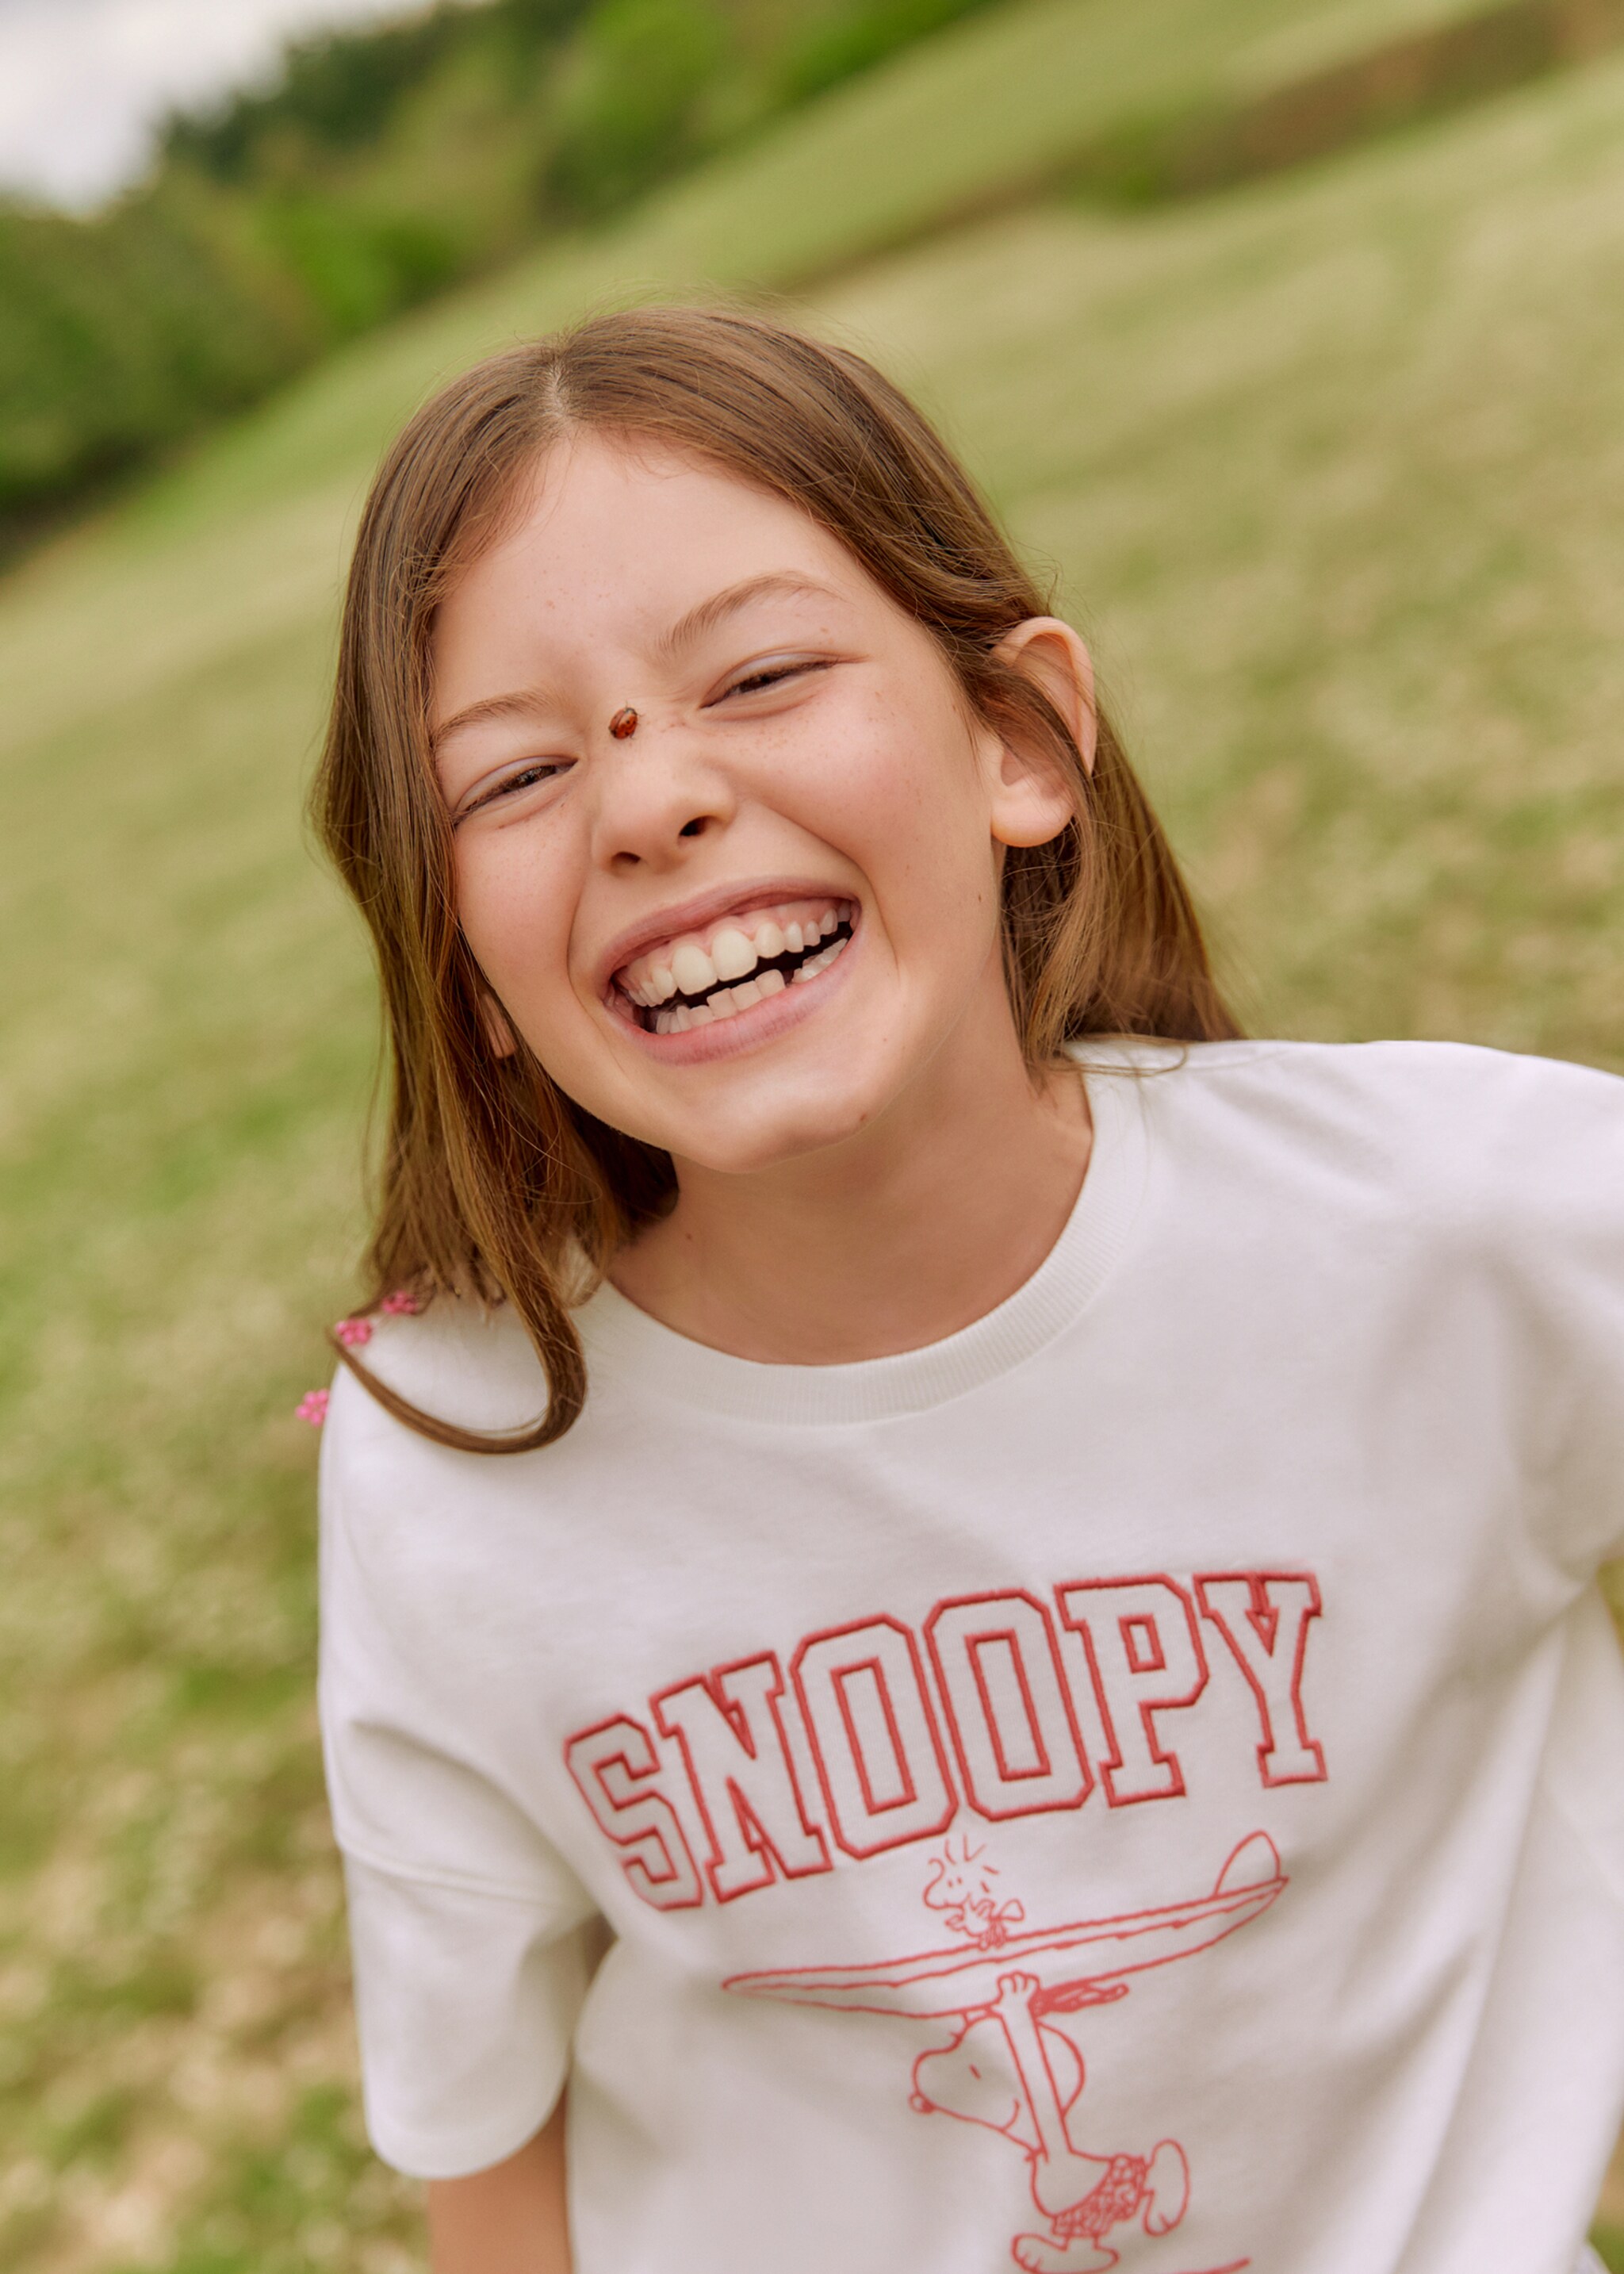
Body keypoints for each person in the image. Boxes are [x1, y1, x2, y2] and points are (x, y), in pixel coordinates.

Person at [310, 305, 1624, 2274]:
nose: (649, 802)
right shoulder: (451, 1466)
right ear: (462, 967)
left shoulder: (1464, 1221)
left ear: (1015, 740)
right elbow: (490, 2151)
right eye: (513, 777)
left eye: (759, 674)